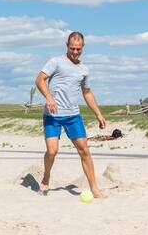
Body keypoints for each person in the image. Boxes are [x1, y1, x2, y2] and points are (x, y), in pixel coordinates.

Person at [35, 31, 106, 198]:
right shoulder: (56, 62)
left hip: (73, 116)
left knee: (84, 151)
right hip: (52, 116)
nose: (75, 52)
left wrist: (99, 114)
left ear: (83, 48)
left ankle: (94, 188)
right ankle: (46, 178)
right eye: (72, 48)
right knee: (52, 151)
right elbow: (39, 80)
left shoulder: (84, 69)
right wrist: (49, 96)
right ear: (67, 45)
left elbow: (87, 93)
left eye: (78, 49)